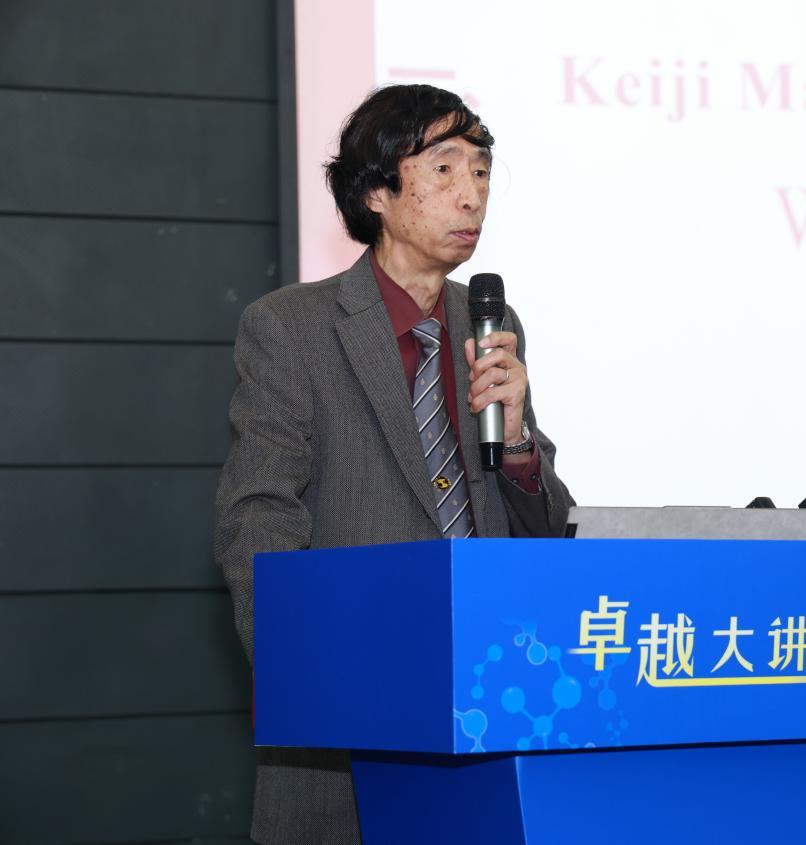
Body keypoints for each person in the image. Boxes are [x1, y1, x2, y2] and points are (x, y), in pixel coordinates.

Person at [214, 84, 574, 845]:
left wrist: (515, 442)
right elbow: (259, 516)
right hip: (350, 715)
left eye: (481, 171)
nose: (471, 194)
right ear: (376, 191)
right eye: (443, 169)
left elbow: (546, 530)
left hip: (491, 698)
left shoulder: (491, 323)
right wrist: (304, 673)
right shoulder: (292, 327)